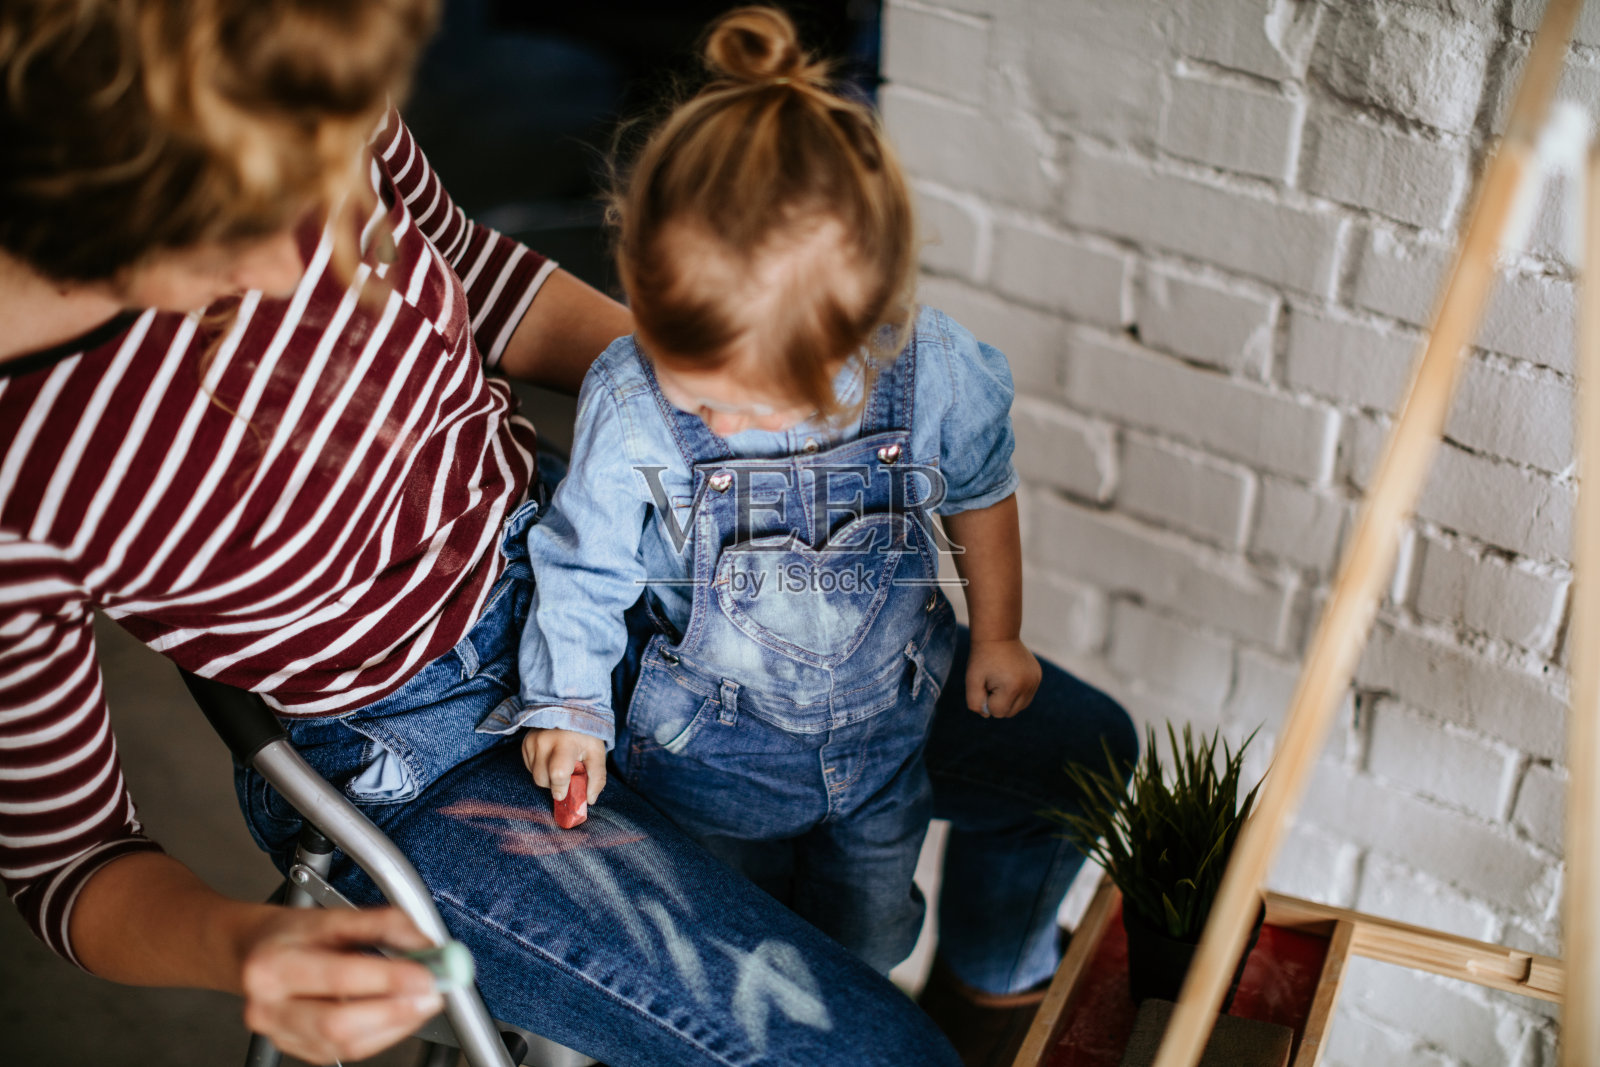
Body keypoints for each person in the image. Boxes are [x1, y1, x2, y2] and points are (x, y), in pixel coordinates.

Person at [0, 2, 1135, 1066]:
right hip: (422, 745)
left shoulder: (289, 102)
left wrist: (719, 379)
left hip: (595, 569)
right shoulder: (20, 483)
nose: (311, 254)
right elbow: (67, 861)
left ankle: (989, 1015)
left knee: (1075, 759)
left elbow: (477, 275)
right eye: (238, 234)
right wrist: (240, 947)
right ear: (85, 187)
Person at [512, 6, 1040, 981]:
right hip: (703, 763)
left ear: (858, 322)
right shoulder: (630, 399)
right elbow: (581, 566)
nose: (717, 417)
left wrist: (998, 630)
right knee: (732, 958)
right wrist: (571, 706)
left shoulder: (933, 371)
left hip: (884, 752)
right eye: (691, 376)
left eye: (747, 393)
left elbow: (983, 493)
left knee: (870, 947)